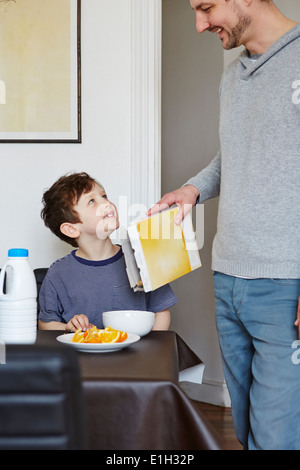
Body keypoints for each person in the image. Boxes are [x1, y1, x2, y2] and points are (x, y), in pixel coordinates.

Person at [148, 0, 300, 450]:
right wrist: (193, 189)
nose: (199, 25)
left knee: (278, 438)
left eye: (206, 7)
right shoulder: (233, 75)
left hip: (285, 283)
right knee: (247, 429)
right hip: (229, 276)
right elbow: (234, 153)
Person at [38, 172, 177, 332]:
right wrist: (68, 327)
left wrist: (151, 351)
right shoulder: (58, 274)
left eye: (104, 196)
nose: (107, 203)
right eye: (92, 201)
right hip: (82, 356)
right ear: (71, 229)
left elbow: (161, 312)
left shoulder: (142, 258)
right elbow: (46, 324)